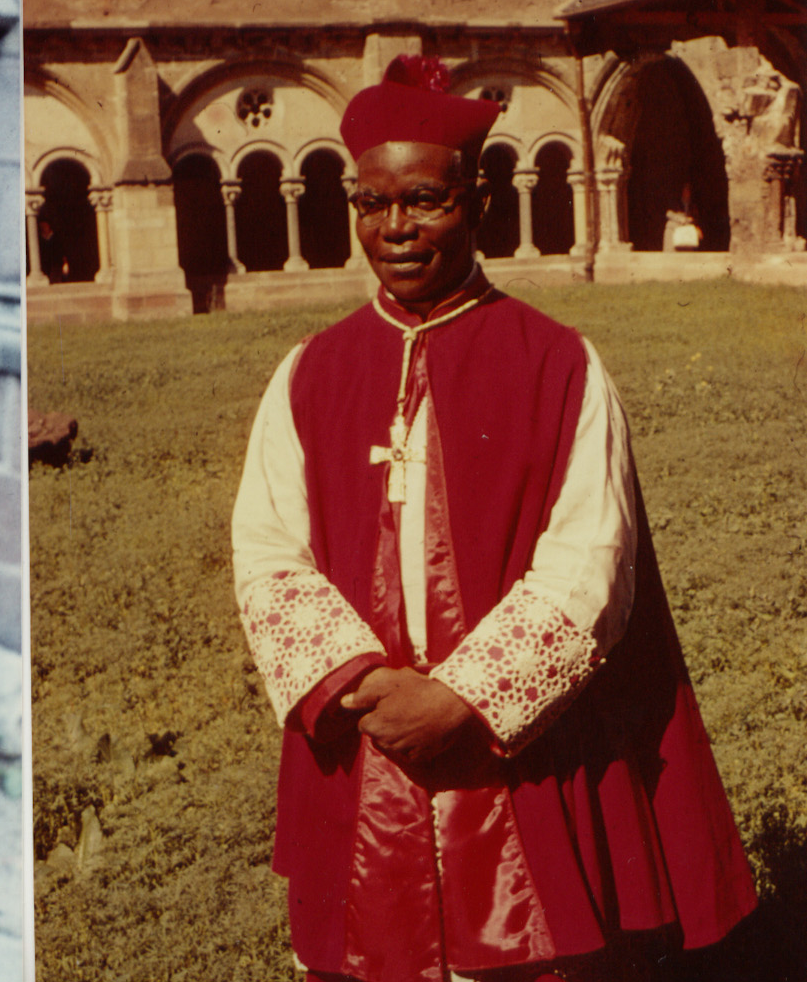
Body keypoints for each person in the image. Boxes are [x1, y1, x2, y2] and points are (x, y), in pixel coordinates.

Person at [230, 54, 758, 982]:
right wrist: (360, 683)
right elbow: (268, 551)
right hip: (366, 740)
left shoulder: (558, 364)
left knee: (533, 947)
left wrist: (461, 700)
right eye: (371, 202)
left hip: (521, 749)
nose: (394, 227)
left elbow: (591, 560)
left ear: (475, 200)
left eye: (423, 200)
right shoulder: (308, 372)